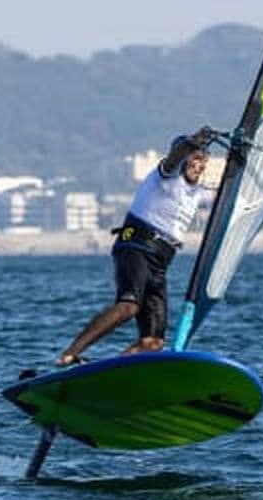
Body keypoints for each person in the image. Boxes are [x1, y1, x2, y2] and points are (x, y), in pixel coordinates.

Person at [56, 126, 215, 367]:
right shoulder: (167, 175)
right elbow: (175, 157)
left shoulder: (196, 192)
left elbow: (230, 195)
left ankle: (108, 374)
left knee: (153, 343)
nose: (199, 166)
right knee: (128, 307)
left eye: (203, 162)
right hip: (137, 247)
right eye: (194, 159)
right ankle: (69, 354)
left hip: (160, 261)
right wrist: (192, 143)